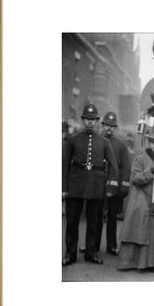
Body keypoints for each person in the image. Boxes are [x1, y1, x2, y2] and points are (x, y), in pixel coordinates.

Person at [62, 102, 118, 266]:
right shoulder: (72, 141)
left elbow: (114, 166)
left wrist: (110, 188)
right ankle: (70, 254)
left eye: (93, 119)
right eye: (87, 119)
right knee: (72, 222)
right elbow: (64, 165)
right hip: (76, 185)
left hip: (96, 186)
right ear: (83, 119)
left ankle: (91, 253)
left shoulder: (104, 142)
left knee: (94, 222)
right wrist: (64, 189)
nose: (90, 122)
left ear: (96, 121)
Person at [117, 133, 154, 275]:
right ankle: (139, 263)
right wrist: (150, 171)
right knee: (141, 232)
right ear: (152, 144)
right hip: (143, 201)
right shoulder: (140, 159)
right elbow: (135, 179)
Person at [91, 111, 131, 255]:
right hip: (98, 183)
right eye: (107, 125)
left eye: (112, 126)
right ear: (102, 125)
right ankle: (93, 246)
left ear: (115, 128)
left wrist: (123, 187)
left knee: (112, 216)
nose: (109, 128)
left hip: (114, 185)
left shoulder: (121, 145)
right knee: (95, 216)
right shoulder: (95, 141)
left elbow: (126, 167)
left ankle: (111, 245)